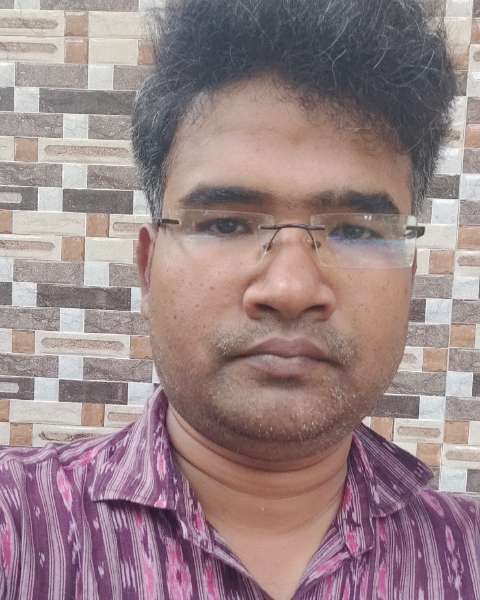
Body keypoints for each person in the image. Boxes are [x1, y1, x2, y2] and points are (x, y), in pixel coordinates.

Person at [0, 0, 479, 598]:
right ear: (148, 267)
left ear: (408, 280)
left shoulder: (466, 554)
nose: (290, 290)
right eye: (226, 224)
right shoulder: (21, 527)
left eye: (355, 231)